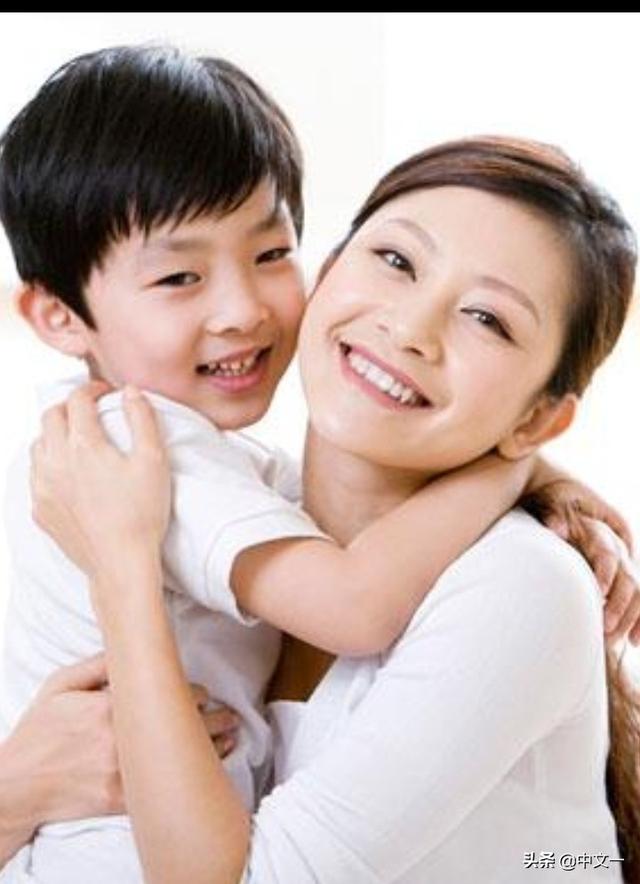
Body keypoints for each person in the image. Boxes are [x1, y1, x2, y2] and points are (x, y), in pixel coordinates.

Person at [2, 44, 622, 882]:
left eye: (488, 318)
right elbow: (355, 606)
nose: (410, 329)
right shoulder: (134, 454)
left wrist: (530, 473)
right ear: (335, 268)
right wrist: (17, 790)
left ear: (542, 415)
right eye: (396, 261)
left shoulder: (519, 581)